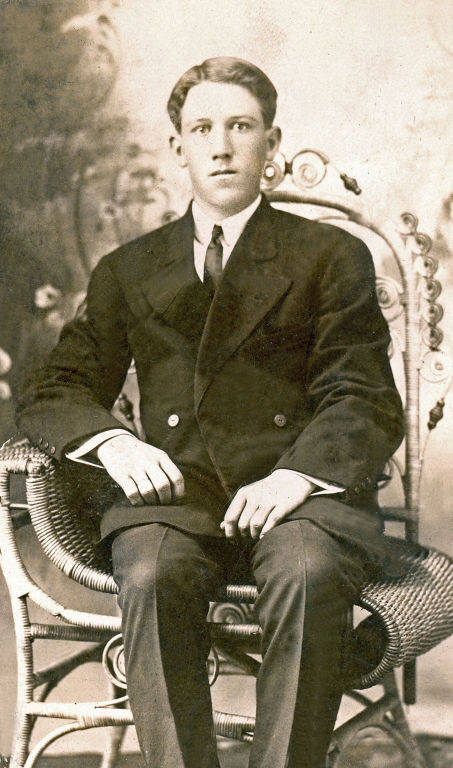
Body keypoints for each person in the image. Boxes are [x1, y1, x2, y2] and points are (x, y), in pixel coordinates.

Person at [16, 57, 404, 768]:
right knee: (151, 575)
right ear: (178, 149)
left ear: (271, 143)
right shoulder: (129, 268)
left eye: (240, 126)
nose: (221, 146)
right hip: (177, 497)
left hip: (297, 499)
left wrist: (295, 478)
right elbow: (54, 388)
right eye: (202, 129)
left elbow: (363, 394)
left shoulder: (329, 254)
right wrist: (111, 443)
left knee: (309, 572)